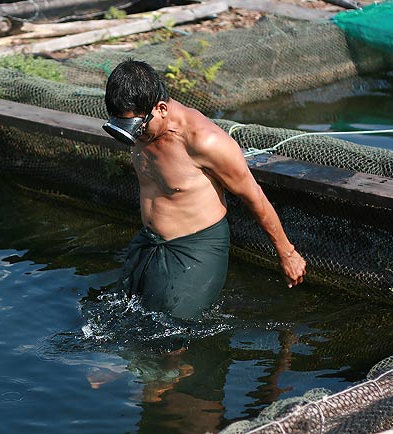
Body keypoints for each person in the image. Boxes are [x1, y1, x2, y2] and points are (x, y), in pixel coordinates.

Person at [103, 59, 307, 321]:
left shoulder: (205, 142)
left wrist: (287, 253)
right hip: (150, 240)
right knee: (122, 319)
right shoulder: (142, 126)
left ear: (161, 109)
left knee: (173, 340)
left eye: (138, 128)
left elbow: (253, 196)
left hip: (195, 247)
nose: (135, 136)